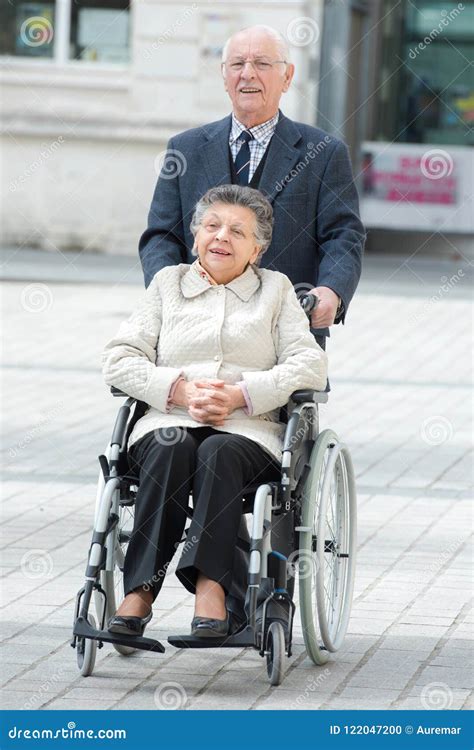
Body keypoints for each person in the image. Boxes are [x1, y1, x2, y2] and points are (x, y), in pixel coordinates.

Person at [102, 185, 327, 638]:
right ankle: (139, 592)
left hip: (247, 428)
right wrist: (178, 390)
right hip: (167, 419)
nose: (221, 237)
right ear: (195, 235)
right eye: (212, 226)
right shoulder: (168, 285)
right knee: (171, 446)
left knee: (219, 450)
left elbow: (310, 364)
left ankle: (212, 590)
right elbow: (119, 358)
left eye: (237, 231)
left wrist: (242, 394)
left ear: (257, 247)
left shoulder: (276, 291)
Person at [139, 24, 365, 348]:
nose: (247, 74)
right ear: (224, 76)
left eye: (261, 63)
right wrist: (168, 293)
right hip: (193, 330)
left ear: (287, 77)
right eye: (237, 64)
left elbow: (343, 235)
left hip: (285, 333)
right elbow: (162, 235)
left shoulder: (324, 153)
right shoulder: (184, 149)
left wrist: (332, 290)